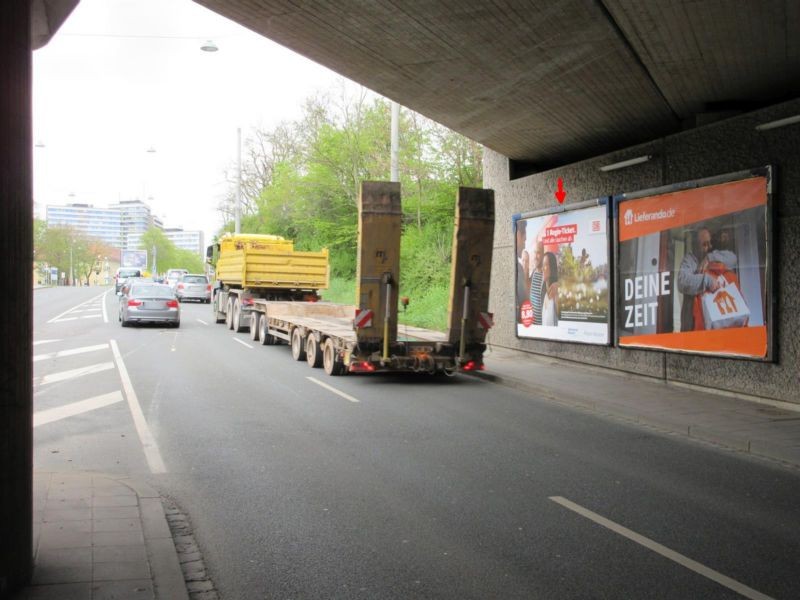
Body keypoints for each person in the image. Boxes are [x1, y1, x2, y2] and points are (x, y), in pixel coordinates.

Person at [677, 226, 738, 331]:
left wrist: (710, 258)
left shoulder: (713, 255)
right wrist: (707, 280)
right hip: (694, 324)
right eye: (704, 244)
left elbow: (733, 259)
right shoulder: (689, 260)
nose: (709, 246)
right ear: (695, 246)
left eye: (710, 242)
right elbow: (682, 281)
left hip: (717, 321)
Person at [515, 220, 531, 319]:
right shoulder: (518, 268)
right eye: (524, 240)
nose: (525, 245)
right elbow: (525, 303)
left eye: (527, 261)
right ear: (518, 235)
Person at [540, 251, 559, 326]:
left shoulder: (556, 294)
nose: (542, 269)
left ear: (552, 267)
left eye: (545, 265)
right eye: (542, 265)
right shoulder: (545, 296)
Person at [529, 241, 545, 326]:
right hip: (532, 326)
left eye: (538, 253)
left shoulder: (546, 277)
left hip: (542, 327)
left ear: (543, 254)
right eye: (534, 252)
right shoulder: (533, 273)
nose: (535, 256)